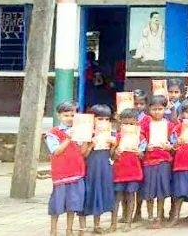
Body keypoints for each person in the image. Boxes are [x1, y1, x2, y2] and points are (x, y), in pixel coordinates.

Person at [47, 101, 87, 236]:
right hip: (61, 174)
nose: (69, 118)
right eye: (66, 115)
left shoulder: (80, 132)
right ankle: (53, 230)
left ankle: (69, 230)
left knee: (73, 204)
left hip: (76, 173)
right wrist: (68, 138)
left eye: (72, 115)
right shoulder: (53, 133)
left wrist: (89, 142)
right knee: (56, 204)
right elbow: (56, 151)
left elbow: (82, 152)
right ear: (59, 116)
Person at [141, 96, 174, 228]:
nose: (157, 112)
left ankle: (159, 217)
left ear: (165, 109)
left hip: (164, 160)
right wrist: (145, 146)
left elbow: (174, 141)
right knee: (149, 191)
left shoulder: (170, 125)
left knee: (161, 191)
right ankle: (150, 217)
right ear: (149, 109)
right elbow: (140, 137)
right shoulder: (144, 124)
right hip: (149, 161)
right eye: (154, 109)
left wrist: (170, 146)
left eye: (160, 109)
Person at [82, 105, 116, 233]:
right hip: (91, 165)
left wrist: (114, 145)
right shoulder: (87, 133)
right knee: (89, 191)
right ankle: (83, 226)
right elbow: (83, 154)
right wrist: (91, 144)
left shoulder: (111, 133)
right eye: (100, 119)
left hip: (105, 165)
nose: (103, 122)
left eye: (106, 119)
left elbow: (112, 155)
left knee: (101, 192)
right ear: (93, 119)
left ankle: (97, 225)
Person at [111, 108, 143, 232]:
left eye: (131, 124)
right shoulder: (117, 136)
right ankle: (113, 223)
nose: (128, 126)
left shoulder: (140, 137)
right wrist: (115, 152)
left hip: (134, 171)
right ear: (120, 123)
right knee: (117, 197)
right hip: (119, 171)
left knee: (131, 196)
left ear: (136, 123)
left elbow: (143, 155)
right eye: (125, 123)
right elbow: (112, 155)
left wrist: (140, 152)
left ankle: (128, 222)